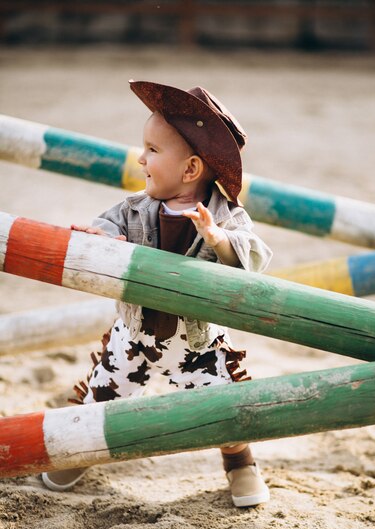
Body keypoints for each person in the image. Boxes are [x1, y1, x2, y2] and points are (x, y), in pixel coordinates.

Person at [41, 81, 273, 507]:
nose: (140, 158)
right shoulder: (134, 210)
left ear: (190, 170)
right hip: (136, 337)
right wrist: (99, 238)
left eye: (151, 149)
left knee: (224, 410)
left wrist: (218, 239)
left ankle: (240, 464)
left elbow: (255, 258)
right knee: (102, 396)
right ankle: (78, 451)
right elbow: (108, 227)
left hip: (198, 345)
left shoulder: (228, 216)